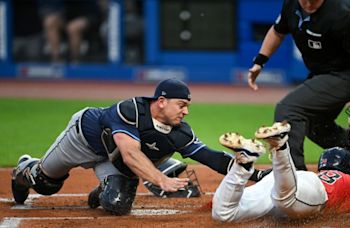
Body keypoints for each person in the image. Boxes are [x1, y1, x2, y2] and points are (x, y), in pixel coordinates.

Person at [11, 78, 268, 215]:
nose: (186, 112)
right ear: (162, 101)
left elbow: (209, 157)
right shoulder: (131, 110)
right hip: (82, 140)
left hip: (112, 158)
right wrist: (160, 179)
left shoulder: (179, 133)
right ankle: (24, 169)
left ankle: (103, 190)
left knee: (118, 205)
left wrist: (253, 172)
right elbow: (130, 153)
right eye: (182, 105)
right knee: (45, 185)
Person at [247, 0, 350, 182]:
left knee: (289, 109)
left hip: (347, 75)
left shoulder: (339, 15)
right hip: (321, 74)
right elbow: (277, 31)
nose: (308, 3)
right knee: (317, 127)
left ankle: (295, 175)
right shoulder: (291, 5)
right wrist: (259, 61)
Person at [212, 122, 350, 222]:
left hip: (282, 182)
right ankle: (280, 145)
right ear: (348, 167)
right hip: (305, 190)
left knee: (223, 214)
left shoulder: (319, 174)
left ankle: (243, 163)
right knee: (285, 199)